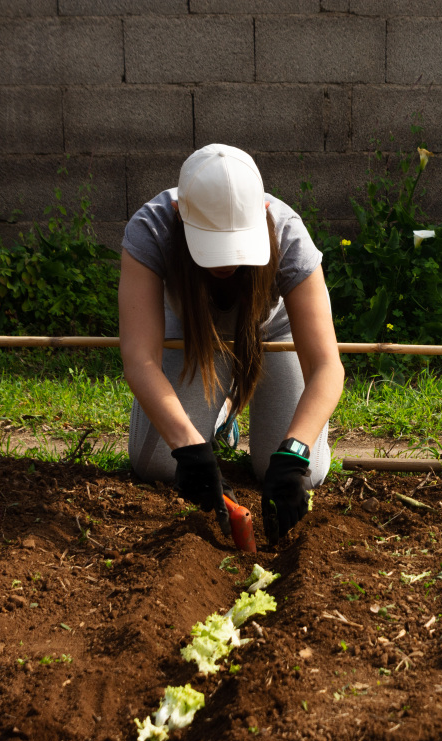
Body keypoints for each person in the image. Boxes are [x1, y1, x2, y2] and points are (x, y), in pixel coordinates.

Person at [118, 143, 343, 546]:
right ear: (178, 217)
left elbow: (327, 364)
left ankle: (223, 409)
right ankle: (217, 417)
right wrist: (187, 447)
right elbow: (139, 356)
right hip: (190, 328)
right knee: (157, 464)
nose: (225, 264)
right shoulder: (152, 227)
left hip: (272, 332)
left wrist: (294, 450)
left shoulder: (287, 232)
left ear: (263, 215)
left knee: (309, 472)